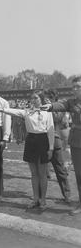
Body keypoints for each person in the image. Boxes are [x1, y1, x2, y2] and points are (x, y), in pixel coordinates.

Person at [1, 90, 54, 210]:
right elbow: (15, 111)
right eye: (32, 98)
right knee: (34, 173)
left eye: (36, 98)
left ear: (41, 99)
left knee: (42, 174)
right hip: (31, 141)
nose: (33, 100)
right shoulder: (27, 112)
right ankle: (35, 199)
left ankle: (43, 200)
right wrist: (2, 109)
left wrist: (50, 148)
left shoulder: (47, 112)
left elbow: (51, 131)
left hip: (43, 140)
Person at [41, 76, 81, 215]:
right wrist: (51, 106)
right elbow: (61, 105)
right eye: (73, 87)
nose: (75, 89)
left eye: (78, 86)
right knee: (79, 175)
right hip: (76, 141)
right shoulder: (71, 102)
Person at [43, 89, 71, 203]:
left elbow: (57, 119)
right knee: (40, 170)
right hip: (40, 139)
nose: (44, 99)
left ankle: (66, 194)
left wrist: (51, 107)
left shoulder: (60, 107)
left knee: (59, 168)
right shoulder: (39, 106)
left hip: (54, 139)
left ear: (53, 98)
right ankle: (40, 196)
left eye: (47, 97)